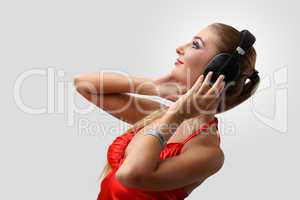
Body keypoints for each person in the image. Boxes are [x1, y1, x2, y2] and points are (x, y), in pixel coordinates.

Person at [74, 22, 260, 199]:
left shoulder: (208, 153)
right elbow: (83, 84)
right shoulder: (160, 114)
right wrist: (155, 87)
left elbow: (130, 175)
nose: (180, 48)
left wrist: (177, 114)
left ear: (221, 70)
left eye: (196, 45)